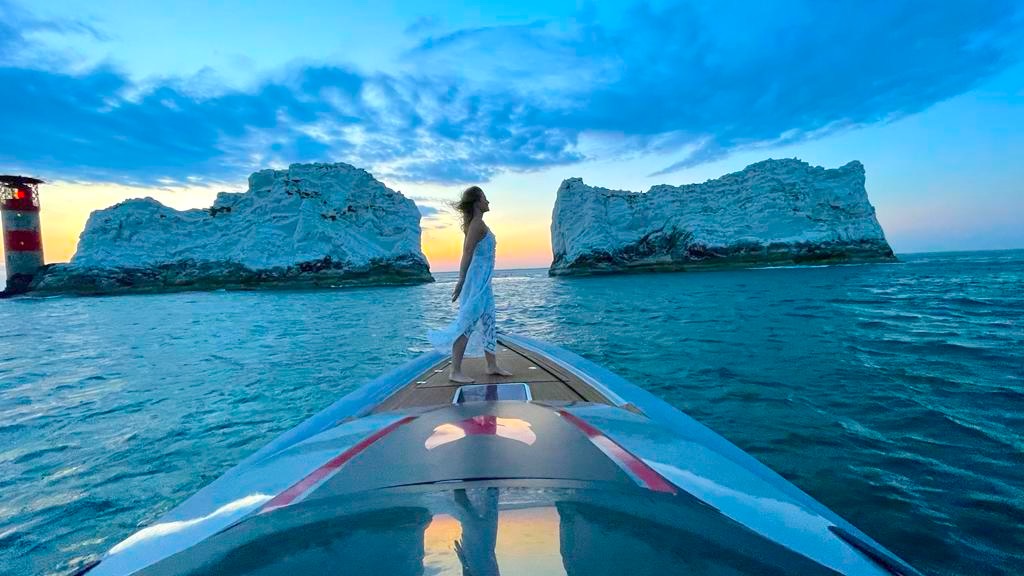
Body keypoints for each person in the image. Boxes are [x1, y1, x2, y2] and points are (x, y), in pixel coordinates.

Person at [428, 186, 512, 383]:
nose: (488, 202)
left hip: (484, 282)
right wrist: (461, 280)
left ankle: (491, 365)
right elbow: (466, 252)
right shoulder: (476, 224)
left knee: (489, 320)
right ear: (476, 202)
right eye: (484, 198)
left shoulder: (478, 224)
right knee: (468, 322)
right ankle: (454, 371)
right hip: (476, 282)